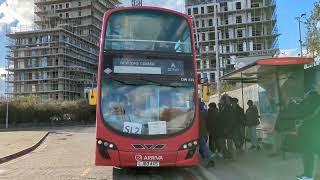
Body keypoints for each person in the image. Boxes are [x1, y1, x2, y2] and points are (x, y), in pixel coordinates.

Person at [296, 90, 320, 180]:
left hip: (308, 134)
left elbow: (301, 114)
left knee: (307, 155)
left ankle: (307, 175)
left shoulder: (308, 102)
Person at [199, 100, 215, 167]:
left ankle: (210, 156)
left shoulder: (199, 113)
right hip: (204, 132)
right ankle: (209, 157)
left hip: (200, 133)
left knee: (203, 146)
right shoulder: (205, 112)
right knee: (202, 146)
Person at [219, 95, 235, 159]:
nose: (221, 101)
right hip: (223, 128)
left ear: (225, 101)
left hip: (228, 129)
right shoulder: (223, 108)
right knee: (222, 142)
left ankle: (231, 156)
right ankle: (226, 154)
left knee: (229, 143)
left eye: (222, 100)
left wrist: (228, 128)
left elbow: (231, 120)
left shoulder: (229, 108)